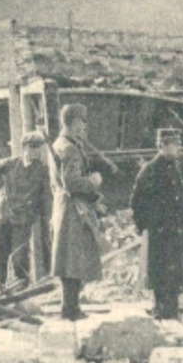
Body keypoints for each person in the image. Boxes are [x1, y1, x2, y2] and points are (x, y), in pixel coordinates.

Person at [131, 128, 183, 320]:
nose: (178, 148)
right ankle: (161, 311)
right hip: (160, 232)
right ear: (162, 146)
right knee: (160, 275)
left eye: (178, 144)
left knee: (175, 276)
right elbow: (137, 202)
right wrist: (146, 227)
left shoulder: (174, 167)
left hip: (175, 230)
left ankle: (171, 313)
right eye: (174, 144)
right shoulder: (150, 170)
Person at [50, 104, 105, 321]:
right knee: (73, 260)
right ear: (72, 123)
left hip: (64, 207)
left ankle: (70, 307)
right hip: (73, 209)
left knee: (69, 259)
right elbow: (71, 182)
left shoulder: (59, 144)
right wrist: (93, 182)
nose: (85, 126)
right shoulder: (70, 148)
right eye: (82, 121)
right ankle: (70, 310)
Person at [0, 131, 52, 286]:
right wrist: (0, 187)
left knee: (19, 258)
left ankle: (22, 288)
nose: (33, 152)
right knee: (2, 255)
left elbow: (45, 198)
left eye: (37, 148)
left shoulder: (42, 171)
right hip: (4, 216)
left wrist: (38, 215)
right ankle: (1, 286)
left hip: (23, 219)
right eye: (31, 148)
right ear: (23, 148)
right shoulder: (11, 163)